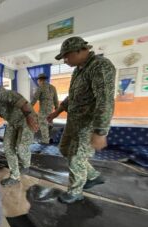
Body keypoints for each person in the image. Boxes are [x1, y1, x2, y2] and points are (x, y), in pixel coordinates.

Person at [47, 36, 116, 204]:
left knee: (75, 157)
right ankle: (92, 176)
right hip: (74, 121)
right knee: (64, 149)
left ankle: (75, 191)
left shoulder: (100, 66)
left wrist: (100, 131)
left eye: (67, 55)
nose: (65, 60)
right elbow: (73, 96)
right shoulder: (79, 69)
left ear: (80, 50)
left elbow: (105, 99)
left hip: (87, 124)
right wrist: (57, 112)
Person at [31, 73, 59, 144]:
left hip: (43, 111)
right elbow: (56, 100)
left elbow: (34, 99)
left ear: (39, 80)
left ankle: (45, 141)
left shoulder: (40, 87)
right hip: (51, 110)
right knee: (49, 124)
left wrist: (28, 107)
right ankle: (49, 137)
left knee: (43, 125)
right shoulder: (53, 87)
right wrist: (57, 110)